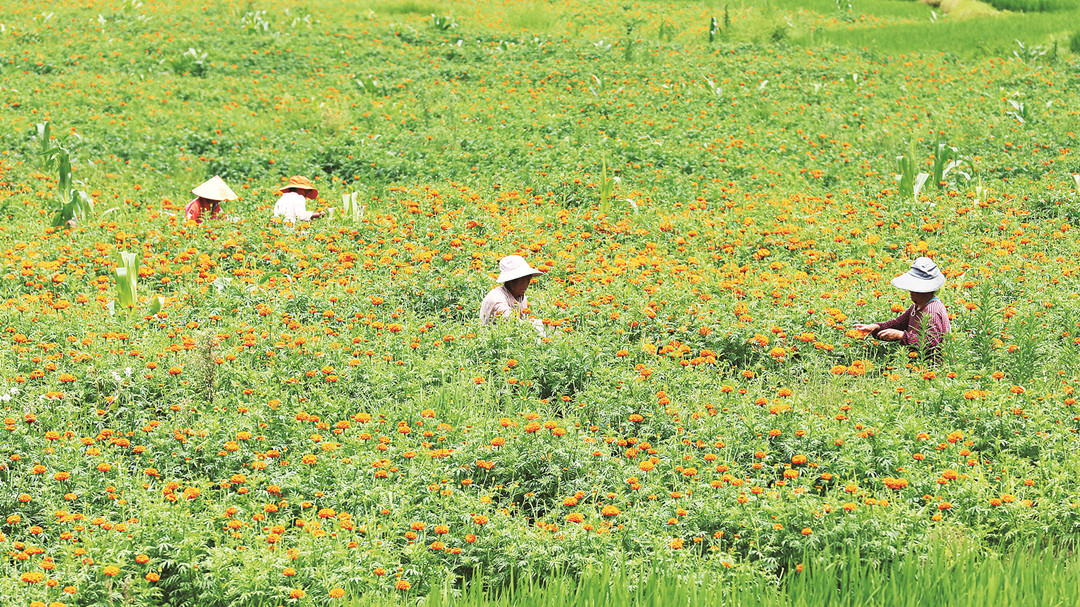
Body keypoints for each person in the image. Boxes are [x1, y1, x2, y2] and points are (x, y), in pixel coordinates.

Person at [854, 257, 950, 360]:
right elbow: (896, 324)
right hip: (918, 365)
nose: (910, 290)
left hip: (933, 368)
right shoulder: (916, 307)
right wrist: (875, 327)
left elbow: (931, 342)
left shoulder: (932, 310)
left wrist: (901, 336)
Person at [481, 255, 544, 330]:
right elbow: (511, 321)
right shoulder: (496, 298)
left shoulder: (520, 297)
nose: (525, 284)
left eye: (528, 279)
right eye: (522, 280)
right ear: (510, 281)